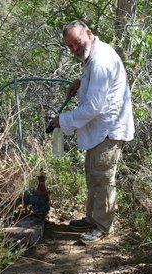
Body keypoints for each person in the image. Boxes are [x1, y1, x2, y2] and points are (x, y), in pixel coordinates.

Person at [48, 20, 134, 244]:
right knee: (92, 175)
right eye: (70, 46)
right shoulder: (92, 57)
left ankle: (103, 227)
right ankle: (91, 219)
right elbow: (95, 85)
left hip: (109, 129)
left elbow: (93, 107)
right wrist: (81, 81)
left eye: (76, 43)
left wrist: (62, 120)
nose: (74, 49)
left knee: (103, 179)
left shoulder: (100, 61)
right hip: (99, 130)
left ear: (88, 33)